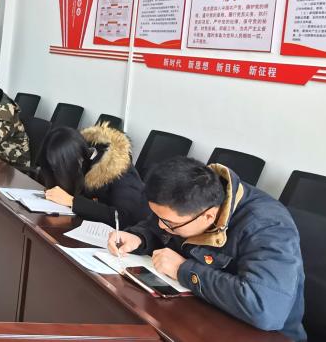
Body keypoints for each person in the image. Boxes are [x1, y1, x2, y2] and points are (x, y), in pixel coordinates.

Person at [107, 157, 306, 341]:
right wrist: (139, 237)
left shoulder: (267, 226)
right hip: (198, 313)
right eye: (158, 217)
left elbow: (265, 308)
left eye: (168, 223)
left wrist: (182, 269)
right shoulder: (190, 199)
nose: (160, 225)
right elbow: (157, 228)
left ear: (208, 217)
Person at [37, 124, 149, 227]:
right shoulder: (80, 162)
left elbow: (125, 217)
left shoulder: (118, 169)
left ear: (76, 161)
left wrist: (72, 202)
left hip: (129, 235)